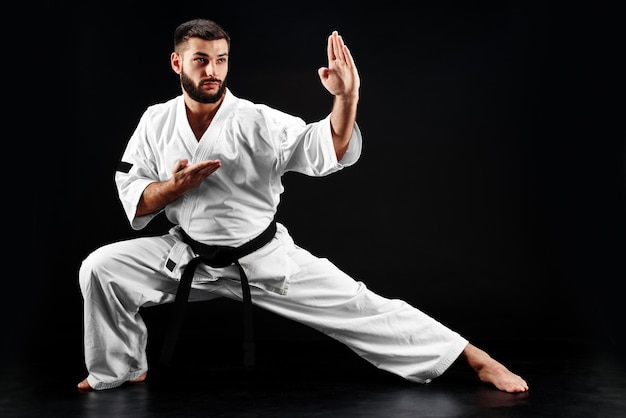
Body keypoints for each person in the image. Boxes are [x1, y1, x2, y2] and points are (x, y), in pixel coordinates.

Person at [77, 18, 528, 393]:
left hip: (263, 259)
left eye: (220, 60)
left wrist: (345, 98)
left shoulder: (258, 120)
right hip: (187, 253)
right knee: (101, 267)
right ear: (178, 62)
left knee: (363, 306)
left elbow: (326, 143)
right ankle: (121, 368)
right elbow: (135, 190)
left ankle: (476, 359)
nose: (212, 70)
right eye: (200, 60)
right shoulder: (156, 120)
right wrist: (172, 189)